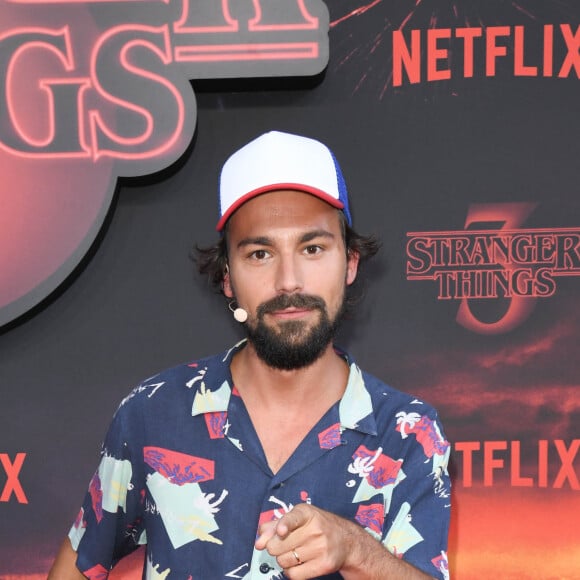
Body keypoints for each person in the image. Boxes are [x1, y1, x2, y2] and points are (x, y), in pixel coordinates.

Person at [49, 131, 451, 580]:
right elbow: (79, 563)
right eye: (260, 253)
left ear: (350, 263)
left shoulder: (408, 433)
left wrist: (357, 550)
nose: (289, 281)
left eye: (312, 248)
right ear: (227, 277)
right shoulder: (153, 412)